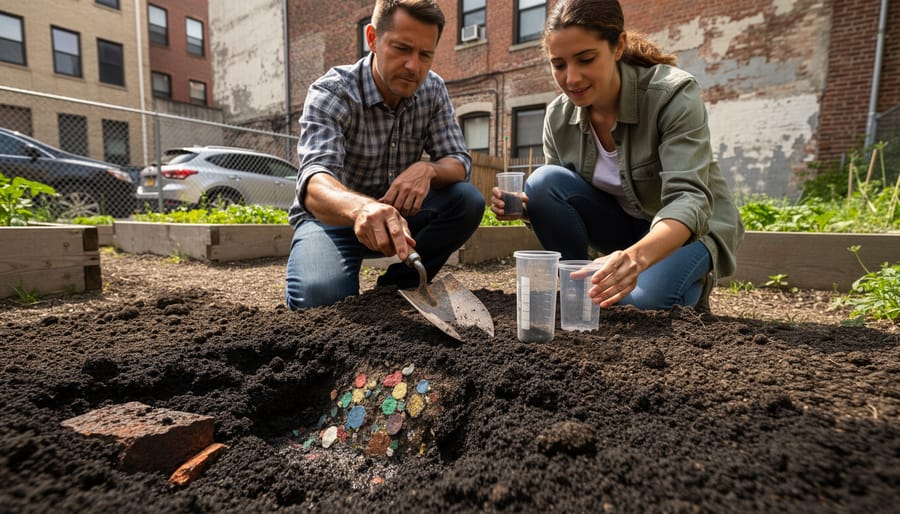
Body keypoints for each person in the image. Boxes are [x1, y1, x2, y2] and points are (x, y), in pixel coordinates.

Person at [491, 0, 743, 312]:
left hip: (689, 230)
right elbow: (559, 199)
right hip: (624, 227)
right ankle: (580, 290)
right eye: (559, 65)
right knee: (542, 182)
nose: (572, 78)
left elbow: (688, 200)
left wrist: (635, 258)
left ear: (618, 46)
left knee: (641, 304)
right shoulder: (558, 117)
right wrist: (528, 208)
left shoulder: (671, 95)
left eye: (586, 59)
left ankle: (689, 284)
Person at [285, 0, 484, 310]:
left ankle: (396, 289)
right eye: (402, 49)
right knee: (321, 298)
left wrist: (428, 169)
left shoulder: (432, 89)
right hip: (333, 220)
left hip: (400, 218)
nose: (413, 66)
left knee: (467, 200)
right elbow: (314, 181)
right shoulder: (333, 92)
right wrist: (362, 209)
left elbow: (459, 160)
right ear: (372, 39)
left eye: (425, 55)